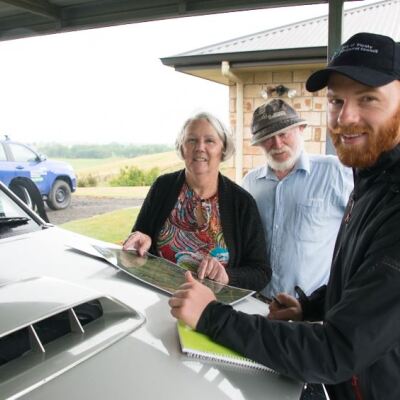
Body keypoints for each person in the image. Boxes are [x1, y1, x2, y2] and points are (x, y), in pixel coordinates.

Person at [169, 32, 400, 400]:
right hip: (289, 333)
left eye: (368, 98)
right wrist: (310, 306)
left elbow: (336, 350)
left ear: (301, 132)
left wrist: (213, 317)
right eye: (336, 100)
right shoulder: (366, 179)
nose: (346, 116)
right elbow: (361, 274)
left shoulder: (344, 177)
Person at [123, 111, 271, 290]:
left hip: (215, 311)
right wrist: (141, 240)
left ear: (223, 148)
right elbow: (138, 241)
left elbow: (261, 272)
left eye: (209, 140)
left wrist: (228, 276)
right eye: (192, 140)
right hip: (161, 299)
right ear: (182, 148)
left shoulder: (242, 202)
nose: (200, 147)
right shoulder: (163, 187)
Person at [242, 99, 352, 298]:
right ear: (259, 143)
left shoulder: (336, 173)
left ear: (301, 129)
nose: (277, 144)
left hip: (311, 311)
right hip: (257, 304)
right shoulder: (250, 183)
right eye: (267, 137)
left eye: (283, 133)